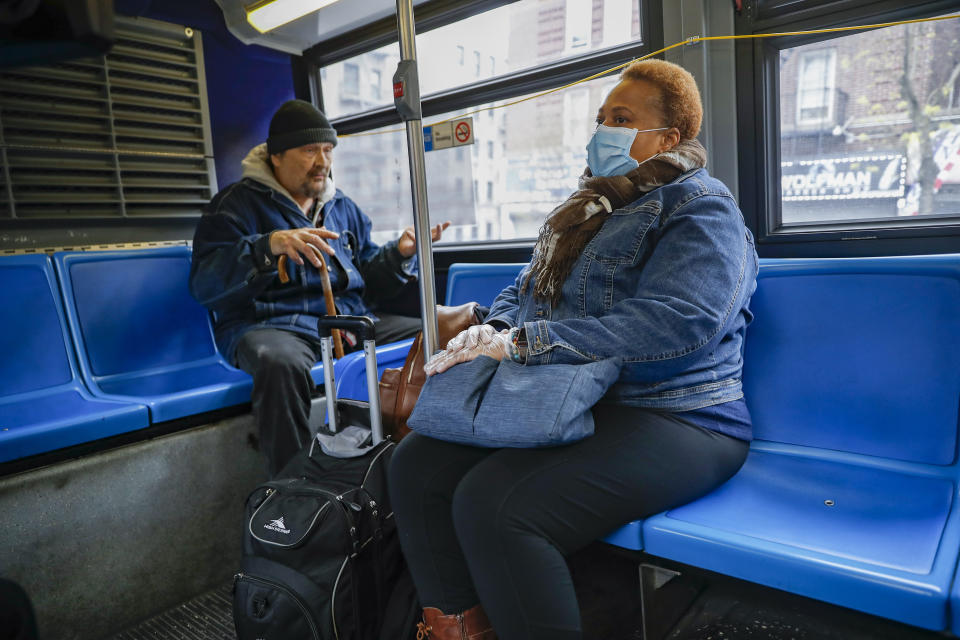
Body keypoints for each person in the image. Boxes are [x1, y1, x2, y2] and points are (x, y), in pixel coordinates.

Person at [388, 59, 758, 640]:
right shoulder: (589, 209)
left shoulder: (701, 208)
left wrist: (527, 343)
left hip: (680, 414)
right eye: (602, 116)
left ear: (672, 137)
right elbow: (525, 288)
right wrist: (495, 328)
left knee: (495, 505)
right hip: (582, 402)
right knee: (415, 466)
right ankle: (457, 628)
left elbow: (680, 325)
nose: (603, 129)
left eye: (623, 118)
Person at [190, 99, 448, 477]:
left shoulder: (343, 207)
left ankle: (418, 454)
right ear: (276, 156)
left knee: (437, 333)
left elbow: (368, 279)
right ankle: (293, 490)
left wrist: (398, 254)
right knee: (278, 364)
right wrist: (268, 247)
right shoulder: (234, 206)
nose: (323, 162)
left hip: (346, 320)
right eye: (310, 150)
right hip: (274, 326)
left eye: (328, 150)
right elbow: (205, 284)